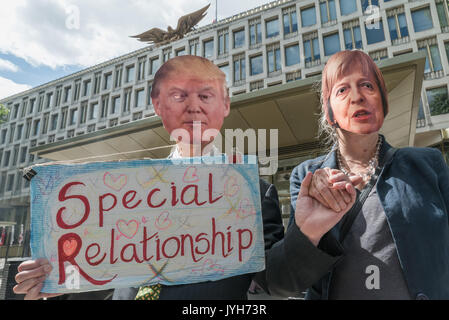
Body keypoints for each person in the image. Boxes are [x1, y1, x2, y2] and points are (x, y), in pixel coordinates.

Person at [13, 55, 284, 300]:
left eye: (206, 96)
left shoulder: (254, 194)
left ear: (224, 106)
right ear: (159, 107)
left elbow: (278, 281)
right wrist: (55, 279)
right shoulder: (121, 194)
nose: (192, 107)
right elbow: (99, 272)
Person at [255, 50, 449, 300]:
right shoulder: (306, 177)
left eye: (367, 85)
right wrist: (307, 233)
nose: (357, 96)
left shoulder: (428, 164)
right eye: (342, 90)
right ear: (329, 113)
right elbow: (284, 284)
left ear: (382, 100)